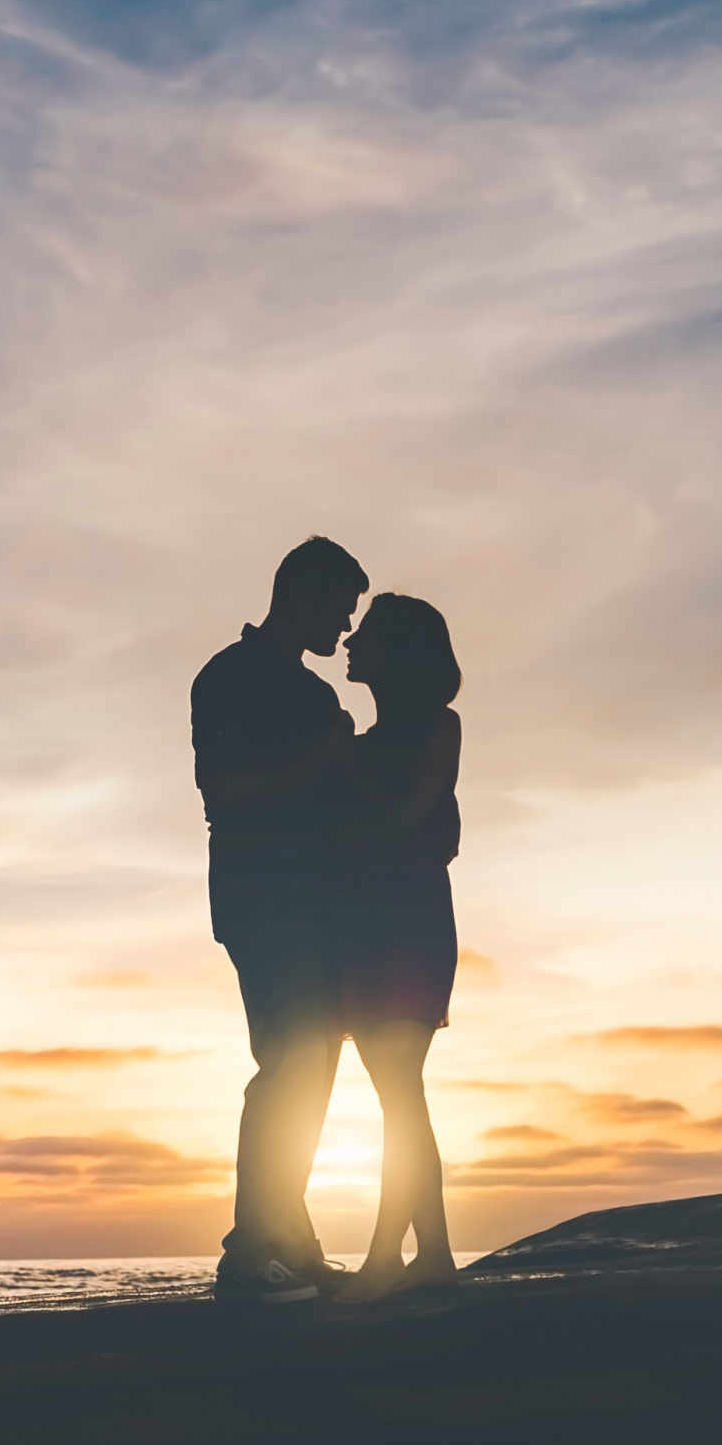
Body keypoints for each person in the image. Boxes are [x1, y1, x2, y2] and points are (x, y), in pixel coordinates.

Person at [190, 537, 371, 1302]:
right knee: (289, 1061)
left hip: (319, 906)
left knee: (314, 1068)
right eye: (341, 608)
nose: (346, 625)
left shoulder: (316, 695)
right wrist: (323, 761)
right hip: (263, 901)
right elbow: (225, 791)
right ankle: (251, 1253)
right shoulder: (228, 677)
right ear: (302, 595)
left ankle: (291, 1244)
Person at [327, 594, 464, 1304]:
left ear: (400, 652)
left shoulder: (438, 725)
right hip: (366, 929)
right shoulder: (358, 742)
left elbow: (408, 816)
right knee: (400, 1096)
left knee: (401, 1092)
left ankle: (387, 1257)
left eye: (368, 635)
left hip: (410, 925)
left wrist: (341, 761)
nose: (351, 642)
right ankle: (432, 1252)